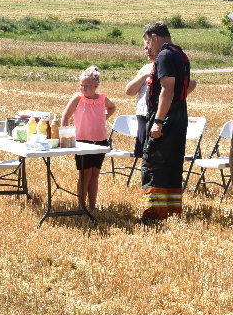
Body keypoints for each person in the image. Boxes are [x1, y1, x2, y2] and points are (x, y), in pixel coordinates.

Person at [139, 21, 191, 221]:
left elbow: (167, 89)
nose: (148, 48)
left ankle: (155, 212)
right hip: (179, 115)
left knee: (154, 162)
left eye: (147, 43)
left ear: (154, 37)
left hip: (166, 116)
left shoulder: (165, 55)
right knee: (172, 163)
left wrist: (158, 121)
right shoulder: (179, 54)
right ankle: (172, 210)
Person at [125, 44, 196, 158]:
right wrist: (144, 75)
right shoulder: (145, 68)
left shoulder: (166, 65)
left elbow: (191, 83)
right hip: (143, 113)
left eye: (150, 47)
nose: (148, 51)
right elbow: (129, 91)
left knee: (154, 154)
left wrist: (173, 99)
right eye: (145, 48)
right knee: (143, 152)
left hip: (157, 114)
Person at [61, 65, 116, 210]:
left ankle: (92, 206)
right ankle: (81, 206)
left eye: (86, 86)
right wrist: (65, 136)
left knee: (95, 173)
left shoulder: (103, 99)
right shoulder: (77, 99)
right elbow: (65, 117)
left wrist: (103, 118)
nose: (83, 88)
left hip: (100, 141)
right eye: (81, 85)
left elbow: (112, 107)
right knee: (85, 173)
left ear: (96, 86)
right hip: (82, 142)